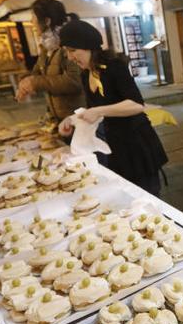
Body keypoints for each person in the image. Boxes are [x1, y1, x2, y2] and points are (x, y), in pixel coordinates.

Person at [57, 19, 168, 195]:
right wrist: (72, 119)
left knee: (148, 194)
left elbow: (136, 104)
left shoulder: (114, 67)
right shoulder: (87, 74)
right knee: (127, 193)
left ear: (87, 46)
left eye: (72, 50)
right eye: (67, 52)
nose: (70, 57)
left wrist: (100, 111)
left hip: (136, 142)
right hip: (115, 144)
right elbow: (92, 110)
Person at [14, 0, 84, 123]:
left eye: (33, 17)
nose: (31, 22)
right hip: (58, 118)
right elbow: (37, 73)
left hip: (77, 119)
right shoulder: (46, 46)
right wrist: (25, 82)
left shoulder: (68, 44)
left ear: (46, 21)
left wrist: (35, 82)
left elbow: (75, 82)